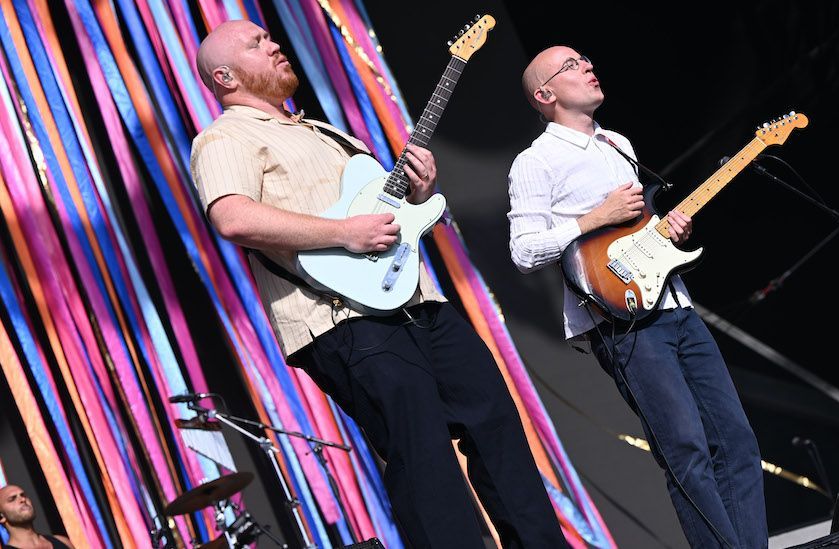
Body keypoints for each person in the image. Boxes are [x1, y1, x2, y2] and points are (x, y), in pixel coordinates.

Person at [189, 20, 567, 549]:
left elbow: (384, 219)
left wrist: (417, 196)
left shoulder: (327, 131)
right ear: (224, 76)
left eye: (270, 36)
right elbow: (231, 218)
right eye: (256, 44)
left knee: (498, 426)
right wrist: (344, 232)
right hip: (341, 319)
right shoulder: (225, 137)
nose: (273, 43)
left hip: (417, 301)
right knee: (424, 456)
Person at [507, 45, 768, 548]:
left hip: (676, 304)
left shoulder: (617, 141)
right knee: (686, 452)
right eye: (572, 66)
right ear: (545, 94)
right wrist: (593, 218)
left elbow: (638, 228)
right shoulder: (535, 162)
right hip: (623, 325)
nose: (588, 67)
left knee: (736, 441)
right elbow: (523, 251)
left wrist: (668, 229)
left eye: (585, 60)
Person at [0, 485, 74, 549]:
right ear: (1, 517)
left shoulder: (63, 542)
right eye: (12, 499)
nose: (23, 499)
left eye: (23, 495)